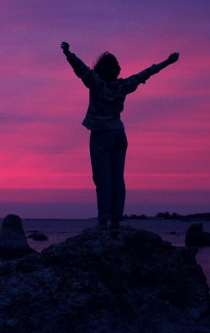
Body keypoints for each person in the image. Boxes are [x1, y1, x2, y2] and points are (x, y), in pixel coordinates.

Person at [61, 42, 179, 229]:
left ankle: (103, 220)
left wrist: (67, 52)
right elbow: (146, 73)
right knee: (117, 178)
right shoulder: (123, 86)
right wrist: (168, 61)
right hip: (118, 134)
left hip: (101, 134)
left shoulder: (96, 83)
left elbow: (80, 68)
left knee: (102, 178)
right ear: (116, 70)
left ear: (99, 69)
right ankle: (116, 220)